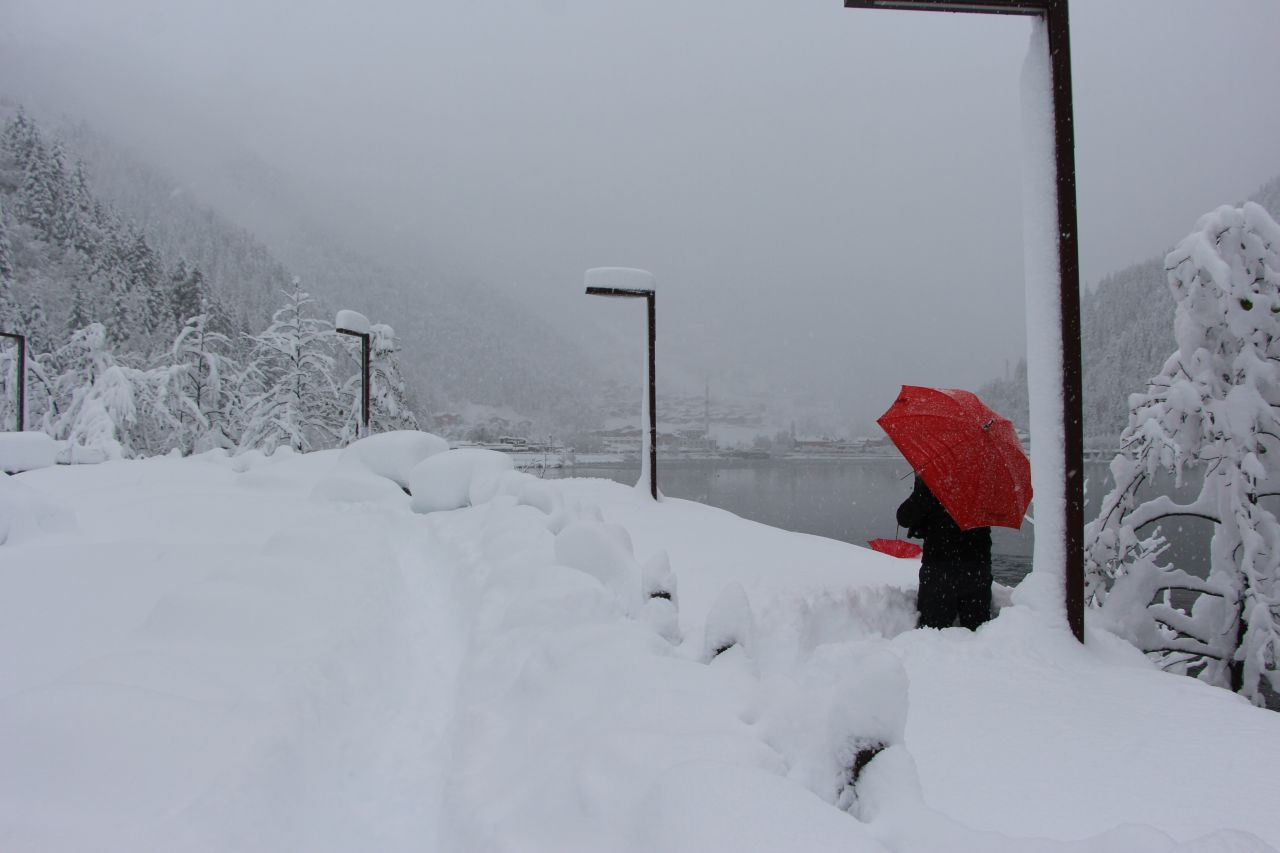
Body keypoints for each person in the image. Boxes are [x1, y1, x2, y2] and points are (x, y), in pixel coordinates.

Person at [896, 475, 992, 630]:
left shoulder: (935, 476)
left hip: (940, 567)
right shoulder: (984, 478)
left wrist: (921, 488)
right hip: (977, 567)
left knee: (933, 633)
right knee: (979, 631)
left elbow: (904, 517)